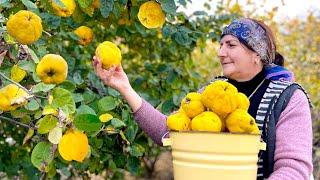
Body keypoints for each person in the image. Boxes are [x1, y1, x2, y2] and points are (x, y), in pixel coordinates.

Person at [93, 18, 313, 180]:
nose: (220, 52)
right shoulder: (212, 92)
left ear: (257, 53)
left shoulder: (287, 97)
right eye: (220, 44)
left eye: (231, 45)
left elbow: (294, 169)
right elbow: (168, 131)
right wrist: (124, 87)